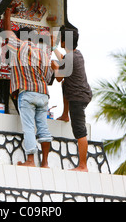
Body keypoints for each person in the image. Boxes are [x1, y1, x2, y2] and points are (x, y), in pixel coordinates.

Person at [2, 7, 54, 167]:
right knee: (43, 129)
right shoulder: (43, 53)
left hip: (27, 93)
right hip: (43, 94)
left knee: (29, 127)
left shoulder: (18, 45)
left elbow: (7, 31)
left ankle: (30, 161)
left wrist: (8, 13)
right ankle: (44, 163)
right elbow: (48, 76)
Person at [51, 27, 92, 171]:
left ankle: (83, 165)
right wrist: (53, 48)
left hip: (77, 97)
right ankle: (64, 115)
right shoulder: (77, 54)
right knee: (65, 85)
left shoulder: (69, 57)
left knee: (80, 130)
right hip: (83, 93)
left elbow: (58, 77)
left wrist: (55, 67)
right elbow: (64, 59)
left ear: (64, 41)